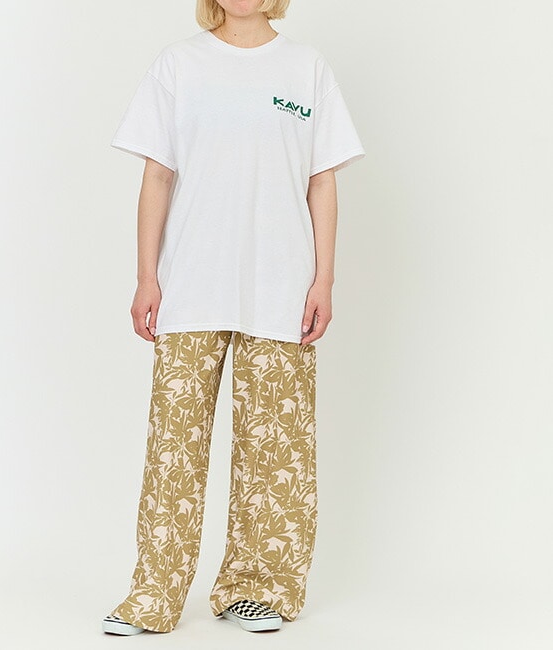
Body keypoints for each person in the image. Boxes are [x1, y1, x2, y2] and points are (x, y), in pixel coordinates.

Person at [102, 0, 365, 635]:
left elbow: (322, 181)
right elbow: (158, 176)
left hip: (280, 287)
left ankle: (259, 588)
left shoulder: (305, 68)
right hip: (190, 285)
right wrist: (146, 277)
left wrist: (324, 278)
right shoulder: (178, 65)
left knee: (276, 449)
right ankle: (154, 595)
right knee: (174, 447)